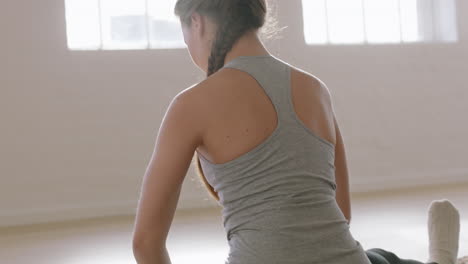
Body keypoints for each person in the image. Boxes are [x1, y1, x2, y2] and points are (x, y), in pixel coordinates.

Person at [130, 1, 462, 264]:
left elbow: (146, 244)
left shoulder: (190, 104)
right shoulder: (316, 89)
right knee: (379, 258)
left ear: (197, 22)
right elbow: (341, 214)